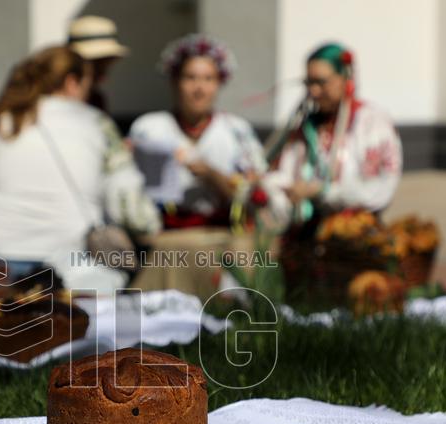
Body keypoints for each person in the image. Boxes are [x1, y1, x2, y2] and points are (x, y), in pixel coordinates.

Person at [0, 46, 160, 293]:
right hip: (68, 263)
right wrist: (154, 226)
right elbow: (130, 206)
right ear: (71, 82)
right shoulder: (97, 124)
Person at [126, 34, 265, 299]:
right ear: (174, 82)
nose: (199, 88)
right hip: (164, 235)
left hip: (221, 235)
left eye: (208, 79)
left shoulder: (235, 131)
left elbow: (252, 195)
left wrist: (211, 174)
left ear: (219, 83)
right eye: (190, 78)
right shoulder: (150, 128)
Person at [262, 42, 402, 227]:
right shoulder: (306, 126)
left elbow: (379, 188)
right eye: (309, 82)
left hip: (352, 233)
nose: (313, 91)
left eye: (321, 82)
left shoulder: (371, 122)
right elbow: (284, 172)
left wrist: (324, 191)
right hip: (302, 233)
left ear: (345, 79)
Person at [66, 15, 128, 114]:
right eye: (97, 63)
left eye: (107, 62)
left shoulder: (96, 100)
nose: (103, 75)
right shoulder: (55, 101)